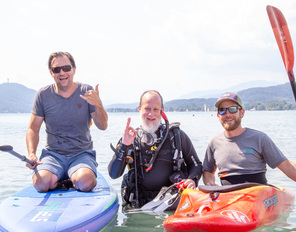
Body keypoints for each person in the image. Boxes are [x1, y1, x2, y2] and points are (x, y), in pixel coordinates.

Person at [26, 51, 108, 192]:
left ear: (74, 70)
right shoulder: (43, 95)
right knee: (40, 184)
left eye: (66, 68)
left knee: (86, 183)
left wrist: (98, 104)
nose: (62, 73)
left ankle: (73, 179)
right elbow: (33, 129)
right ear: (51, 73)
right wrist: (32, 153)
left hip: (81, 154)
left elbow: (102, 126)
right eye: (56, 69)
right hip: (52, 155)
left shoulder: (86, 91)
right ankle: (63, 182)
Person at [108, 90, 202, 208]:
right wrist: (124, 145)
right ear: (139, 109)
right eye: (147, 109)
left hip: (172, 204)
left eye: (155, 109)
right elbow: (113, 174)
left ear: (162, 111)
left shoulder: (176, 136)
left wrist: (192, 180)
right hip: (139, 206)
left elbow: (196, 165)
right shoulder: (131, 138)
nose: (151, 114)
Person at [203, 91, 296, 188]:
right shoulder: (214, 143)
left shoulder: (259, 138)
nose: (227, 114)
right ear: (218, 115)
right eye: (222, 110)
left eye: (232, 109)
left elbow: (286, 166)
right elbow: (208, 171)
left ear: (242, 113)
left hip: (257, 197)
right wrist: (210, 183)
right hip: (230, 199)